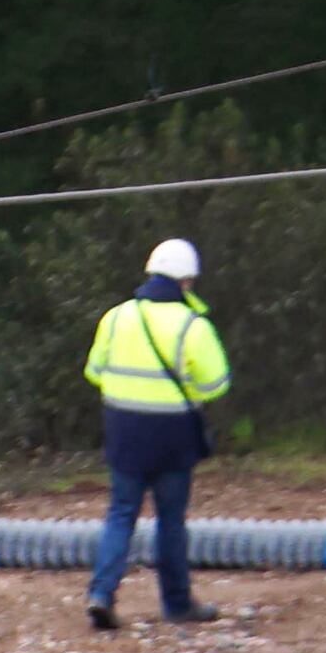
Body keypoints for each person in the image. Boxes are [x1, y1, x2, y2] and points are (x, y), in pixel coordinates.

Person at [82, 236, 232, 632]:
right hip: (173, 436)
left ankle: (101, 594)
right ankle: (177, 604)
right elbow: (217, 384)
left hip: (124, 432)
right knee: (170, 520)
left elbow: (94, 371)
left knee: (121, 515)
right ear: (187, 281)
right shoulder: (193, 326)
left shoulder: (116, 317)